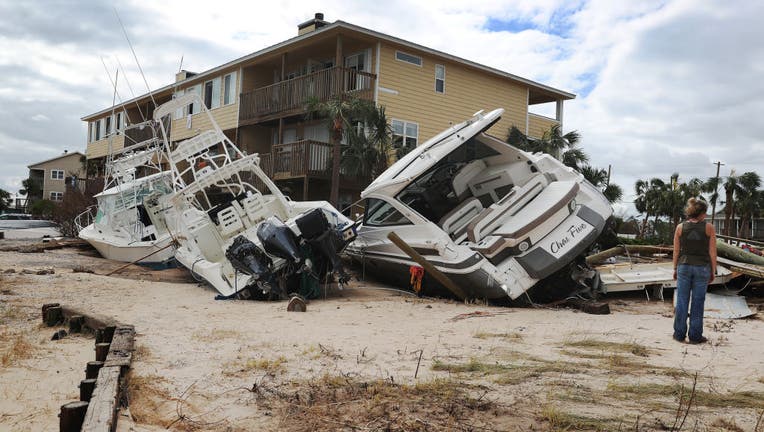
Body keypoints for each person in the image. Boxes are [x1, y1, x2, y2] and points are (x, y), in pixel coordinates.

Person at [672, 198, 717, 344]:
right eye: (705, 212)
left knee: (682, 301)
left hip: (683, 266)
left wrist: (674, 268)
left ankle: (679, 334)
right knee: (698, 302)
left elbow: (676, 251)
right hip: (702, 267)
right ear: (701, 213)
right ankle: (695, 336)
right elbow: (712, 252)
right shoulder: (709, 228)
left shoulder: (680, 227)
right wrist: (713, 270)